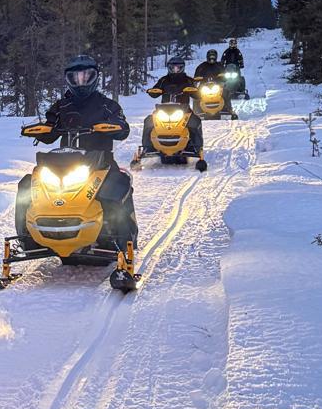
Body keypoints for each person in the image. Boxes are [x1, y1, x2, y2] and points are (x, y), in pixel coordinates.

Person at [35, 54, 136, 259]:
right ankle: (29, 237)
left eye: (85, 76)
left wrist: (113, 127)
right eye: (75, 77)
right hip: (65, 164)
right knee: (30, 186)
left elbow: (122, 127)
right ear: (68, 79)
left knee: (117, 186)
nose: (80, 81)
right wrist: (41, 131)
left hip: (100, 162)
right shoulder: (61, 106)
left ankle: (124, 240)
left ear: (94, 77)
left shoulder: (106, 104)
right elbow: (50, 129)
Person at [142, 57, 206, 166]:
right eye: (173, 67)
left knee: (195, 121)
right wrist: (152, 91)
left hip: (183, 109)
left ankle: (196, 147)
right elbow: (155, 91)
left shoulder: (188, 80)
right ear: (169, 68)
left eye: (178, 67)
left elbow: (197, 95)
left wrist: (194, 91)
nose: (176, 69)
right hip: (164, 109)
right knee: (149, 121)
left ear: (182, 68)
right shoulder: (164, 80)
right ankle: (147, 147)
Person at [192, 47, 239, 119]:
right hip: (204, 85)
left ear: (216, 57)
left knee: (226, 92)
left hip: (217, 85)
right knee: (196, 94)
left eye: (213, 56)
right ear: (207, 57)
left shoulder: (219, 66)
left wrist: (223, 77)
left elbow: (225, 75)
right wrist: (197, 79)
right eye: (210, 56)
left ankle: (229, 109)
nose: (212, 58)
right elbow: (196, 76)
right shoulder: (202, 66)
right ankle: (196, 111)